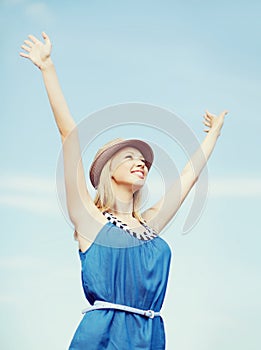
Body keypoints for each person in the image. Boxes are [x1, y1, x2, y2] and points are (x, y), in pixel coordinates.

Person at [20, 32, 228, 350]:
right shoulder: (90, 220)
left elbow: (189, 176)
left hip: (150, 335)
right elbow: (69, 136)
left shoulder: (150, 226)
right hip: (104, 337)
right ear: (108, 171)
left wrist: (213, 134)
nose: (141, 163)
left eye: (143, 160)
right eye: (129, 157)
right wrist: (48, 68)